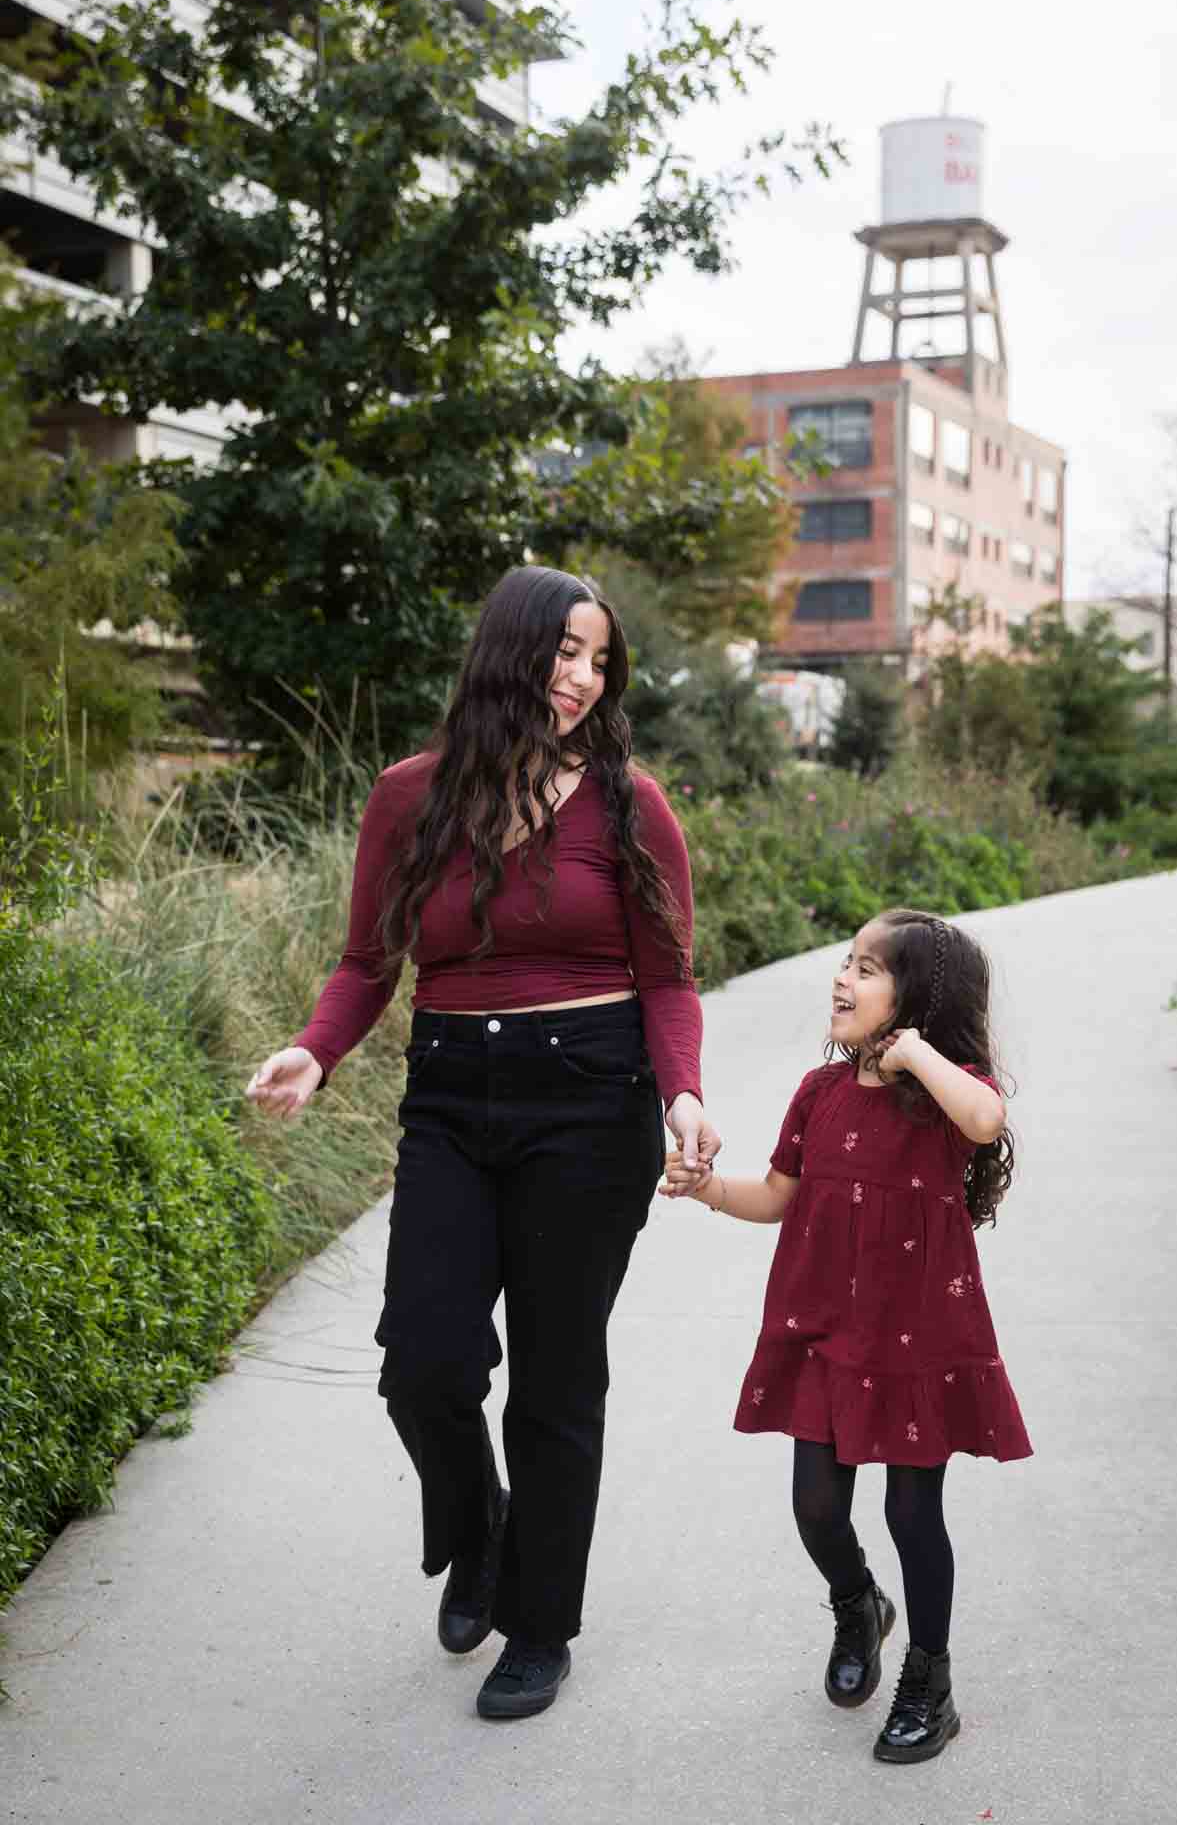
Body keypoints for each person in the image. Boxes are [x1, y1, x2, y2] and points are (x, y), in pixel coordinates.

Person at [245, 565, 719, 1722]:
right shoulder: (412, 795)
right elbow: (369, 962)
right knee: (424, 1357)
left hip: (589, 1102)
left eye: (599, 659)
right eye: (564, 650)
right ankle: (479, 1524)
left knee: (557, 1375)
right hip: (452, 1094)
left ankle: (539, 1624)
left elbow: (667, 974)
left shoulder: (626, 801)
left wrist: (684, 1094)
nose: (581, 678)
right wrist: (317, 1047)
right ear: (510, 648)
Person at [660, 908, 1029, 1764]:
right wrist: (706, 1189)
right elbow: (777, 1196)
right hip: (823, 1326)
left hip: (917, 1339)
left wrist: (915, 1054)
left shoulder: (943, 1092)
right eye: (844, 962)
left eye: (867, 969)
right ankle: (857, 1602)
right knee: (816, 1506)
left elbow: (984, 1120)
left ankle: (928, 1680)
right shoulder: (818, 1094)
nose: (841, 979)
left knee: (911, 1510)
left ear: (919, 998)